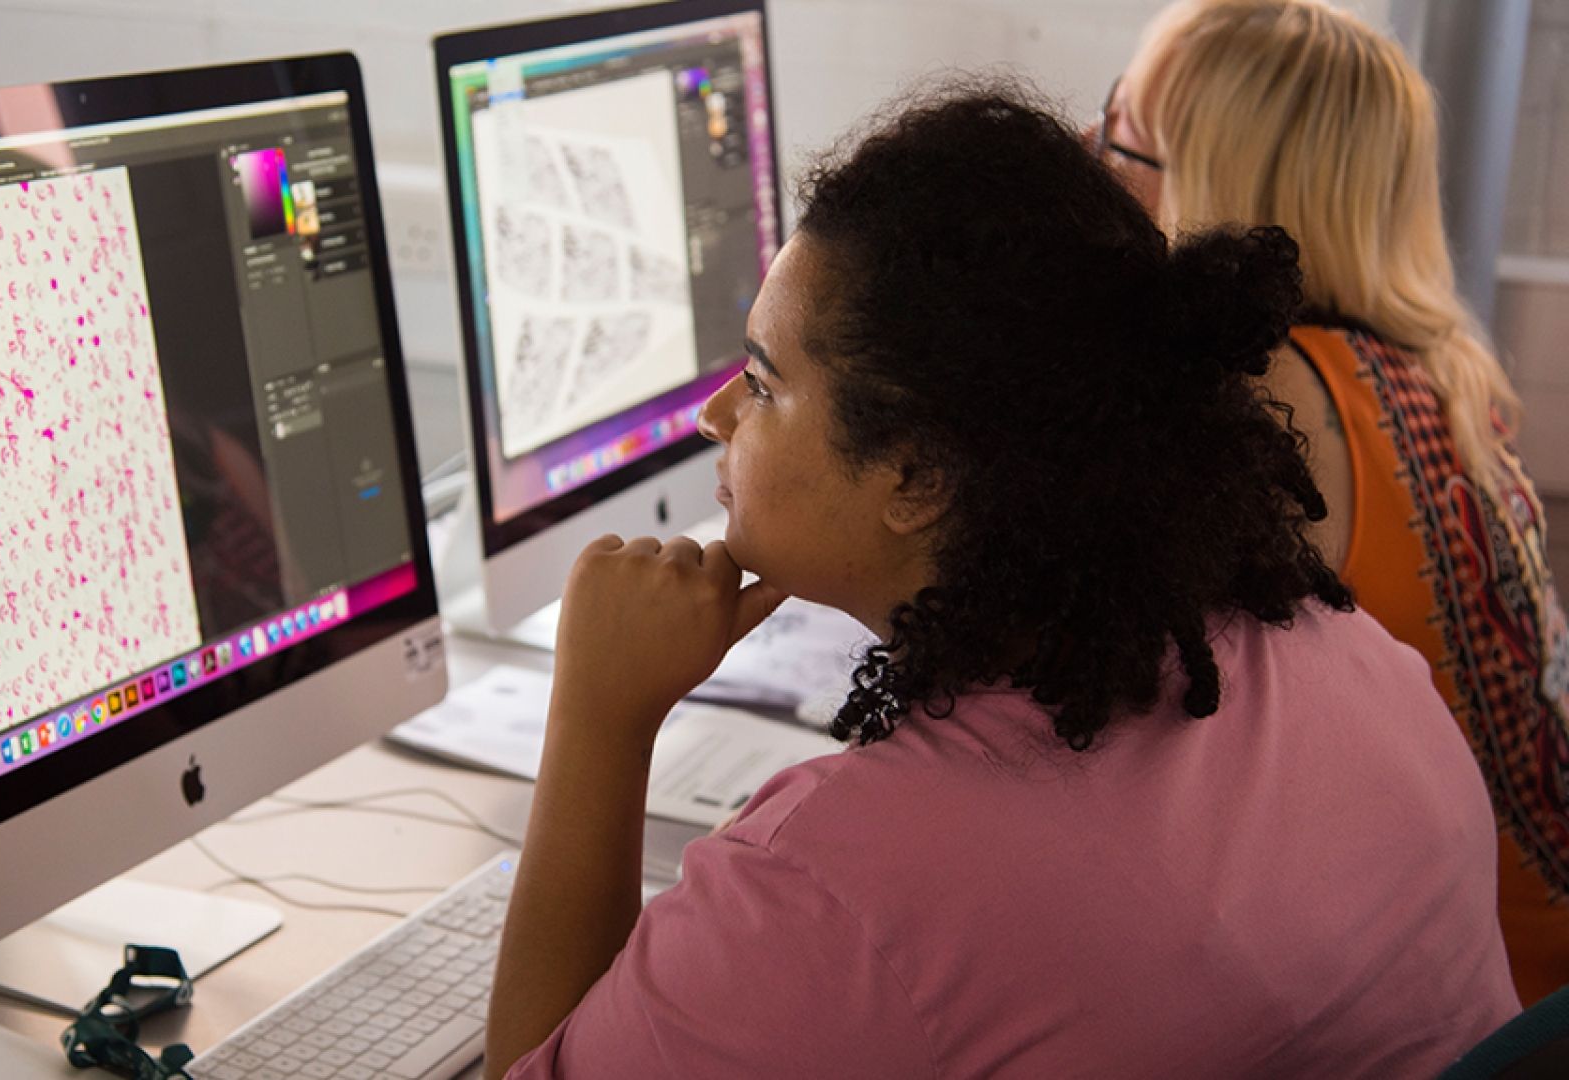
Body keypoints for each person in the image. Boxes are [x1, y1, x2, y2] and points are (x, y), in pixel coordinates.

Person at [483, 82, 1517, 1079]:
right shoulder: (1354, 658)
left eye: (763, 382)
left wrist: (599, 722)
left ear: (920, 475)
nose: (717, 416)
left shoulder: (841, 891)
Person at [1099, 0, 1569, 1004]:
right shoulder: (1427, 365)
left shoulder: (1269, 405)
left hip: (1472, 995)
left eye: (1122, 141)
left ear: (1217, 192)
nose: (1098, 173)